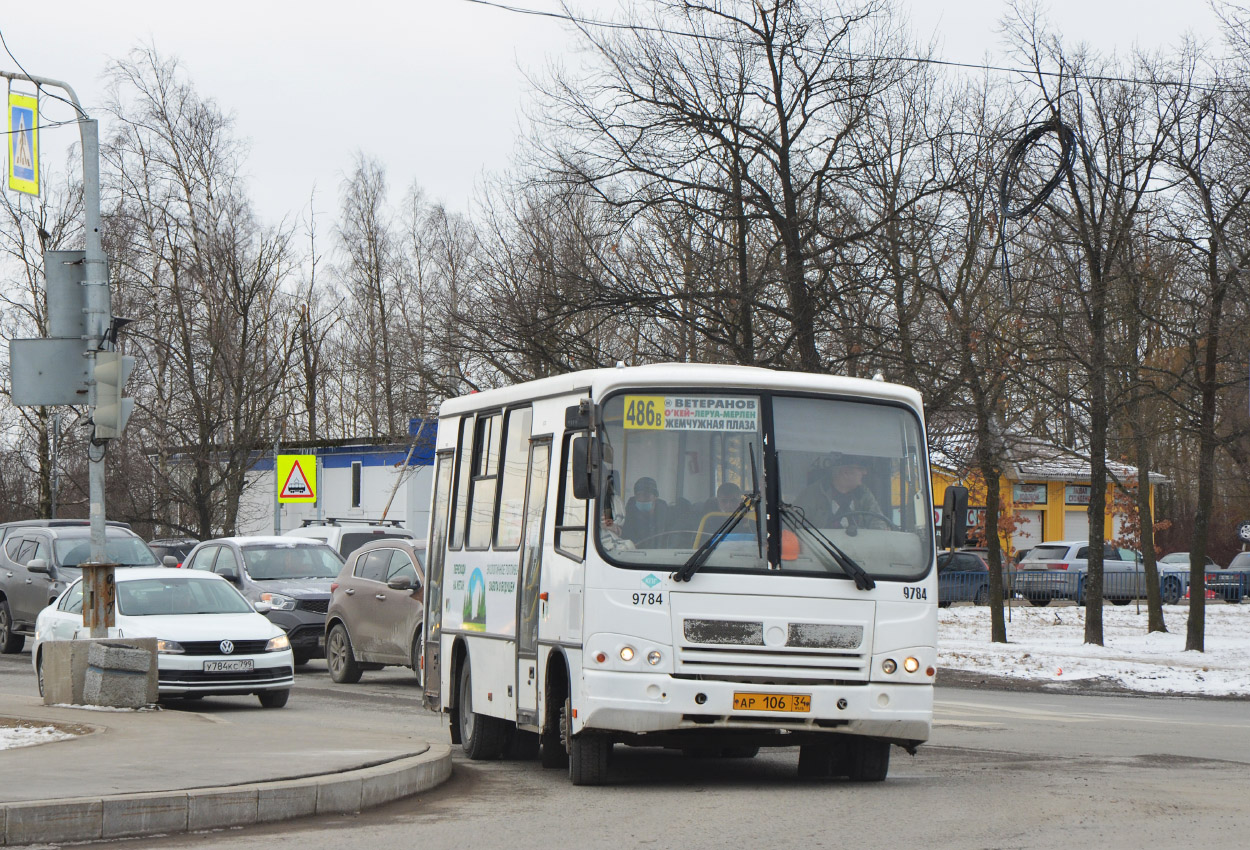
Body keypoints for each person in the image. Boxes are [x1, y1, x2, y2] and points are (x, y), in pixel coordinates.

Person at [796, 454, 885, 528]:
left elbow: (878, 523)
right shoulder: (812, 495)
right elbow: (792, 525)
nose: (865, 472)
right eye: (861, 468)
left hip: (859, 549)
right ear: (846, 472)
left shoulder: (863, 494)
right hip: (821, 548)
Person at [621, 476, 669, 545]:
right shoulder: (629, 514)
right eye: (638, 495)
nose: (642, 499)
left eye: (646, 496)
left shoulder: (666, 516)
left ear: (655, 497)